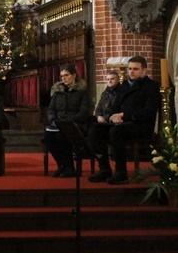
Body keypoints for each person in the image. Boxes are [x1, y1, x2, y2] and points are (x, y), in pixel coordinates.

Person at [88, 56, 161, 185]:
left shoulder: (151, 86)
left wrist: (124, 115)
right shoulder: (125, 85)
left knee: (116, 132)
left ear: (144, 70)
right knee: (95, 130)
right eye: (130, 69)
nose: (131, 72)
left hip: (140, 125)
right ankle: (105, 168)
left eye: (135, 69)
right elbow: (115, 106)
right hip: (122, 123)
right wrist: (108, 117)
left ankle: (121, 173)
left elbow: (148, 112)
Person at [44, 64, 91, 178]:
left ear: (74, 75)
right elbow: (51, 110)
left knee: (62, 136)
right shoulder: (58, 92)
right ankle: (61, 165)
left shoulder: (82, 92)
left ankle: (69, 167)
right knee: (48, 136)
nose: (63, 78)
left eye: (66, 75)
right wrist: (53, 120)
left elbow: (84, 112)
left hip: (76, 124)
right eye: (62, 76)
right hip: (59, 124)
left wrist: (69, 121)